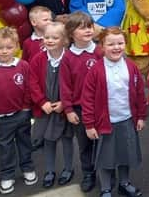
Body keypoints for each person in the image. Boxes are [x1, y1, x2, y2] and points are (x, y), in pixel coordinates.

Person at [82, 27, 147, 197]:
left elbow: (140, 92)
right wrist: (89, 124)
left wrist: (141, 116)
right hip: (105, 122)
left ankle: (124, 183)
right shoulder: (95, 70)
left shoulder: (131, 67)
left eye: (120, 43)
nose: (116, 47)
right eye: (111, 44)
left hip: (127, 119)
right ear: (102, 46)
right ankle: (105, 188)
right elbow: (87, 99)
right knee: (106, 157)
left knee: (125, 154)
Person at [0, 27, 37, 194]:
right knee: (5, 148)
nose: (4, 51)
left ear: (16, 47)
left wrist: (26, 108)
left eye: (9, 47)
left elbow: (28, 88)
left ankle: (27, 168)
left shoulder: (23, 66)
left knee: (25, 143)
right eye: (0, 47)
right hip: (1, 118)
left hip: (22, 114)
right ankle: (7, 175)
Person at [59, 11, 104, 193]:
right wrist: (69, 110)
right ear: (71, 33)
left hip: (102, 107)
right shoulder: (68, 57)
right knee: (85, 144)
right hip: (79, 109)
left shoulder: (100, 51)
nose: (87, 31)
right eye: (82, 27)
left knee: (104, 143)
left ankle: (105, 173)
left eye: (89, 26)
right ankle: (88, 173)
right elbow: (65, 86)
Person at [28, 21, 75, 189]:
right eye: (46, 37)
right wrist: (42, 102)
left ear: (64, 40)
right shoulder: (38, 59)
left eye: (55, 37)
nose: (49, 40)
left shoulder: (70, 58)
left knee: (67, 138)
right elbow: (32, 83)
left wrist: (66, 103)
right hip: (46, 108)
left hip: (64, 108)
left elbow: (75, 83)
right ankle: (49, 171)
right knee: (48, 140)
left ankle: (68, 169)